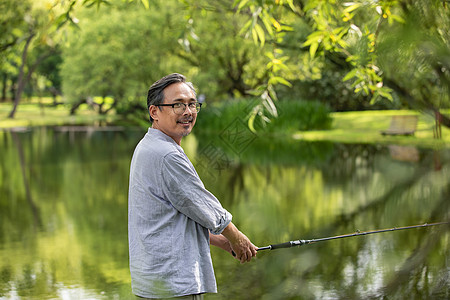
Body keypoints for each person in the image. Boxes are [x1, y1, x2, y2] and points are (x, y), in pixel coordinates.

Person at [128, 73, 258, 299]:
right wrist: (237, 237)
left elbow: (173, 216)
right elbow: (204, 207)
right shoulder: (166, 155)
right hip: (173, 286)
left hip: (156, 284)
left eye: (192, 104)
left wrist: (223, 242)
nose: (187, 112)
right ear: (154, 112)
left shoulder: (149, 145)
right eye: (178, 105)